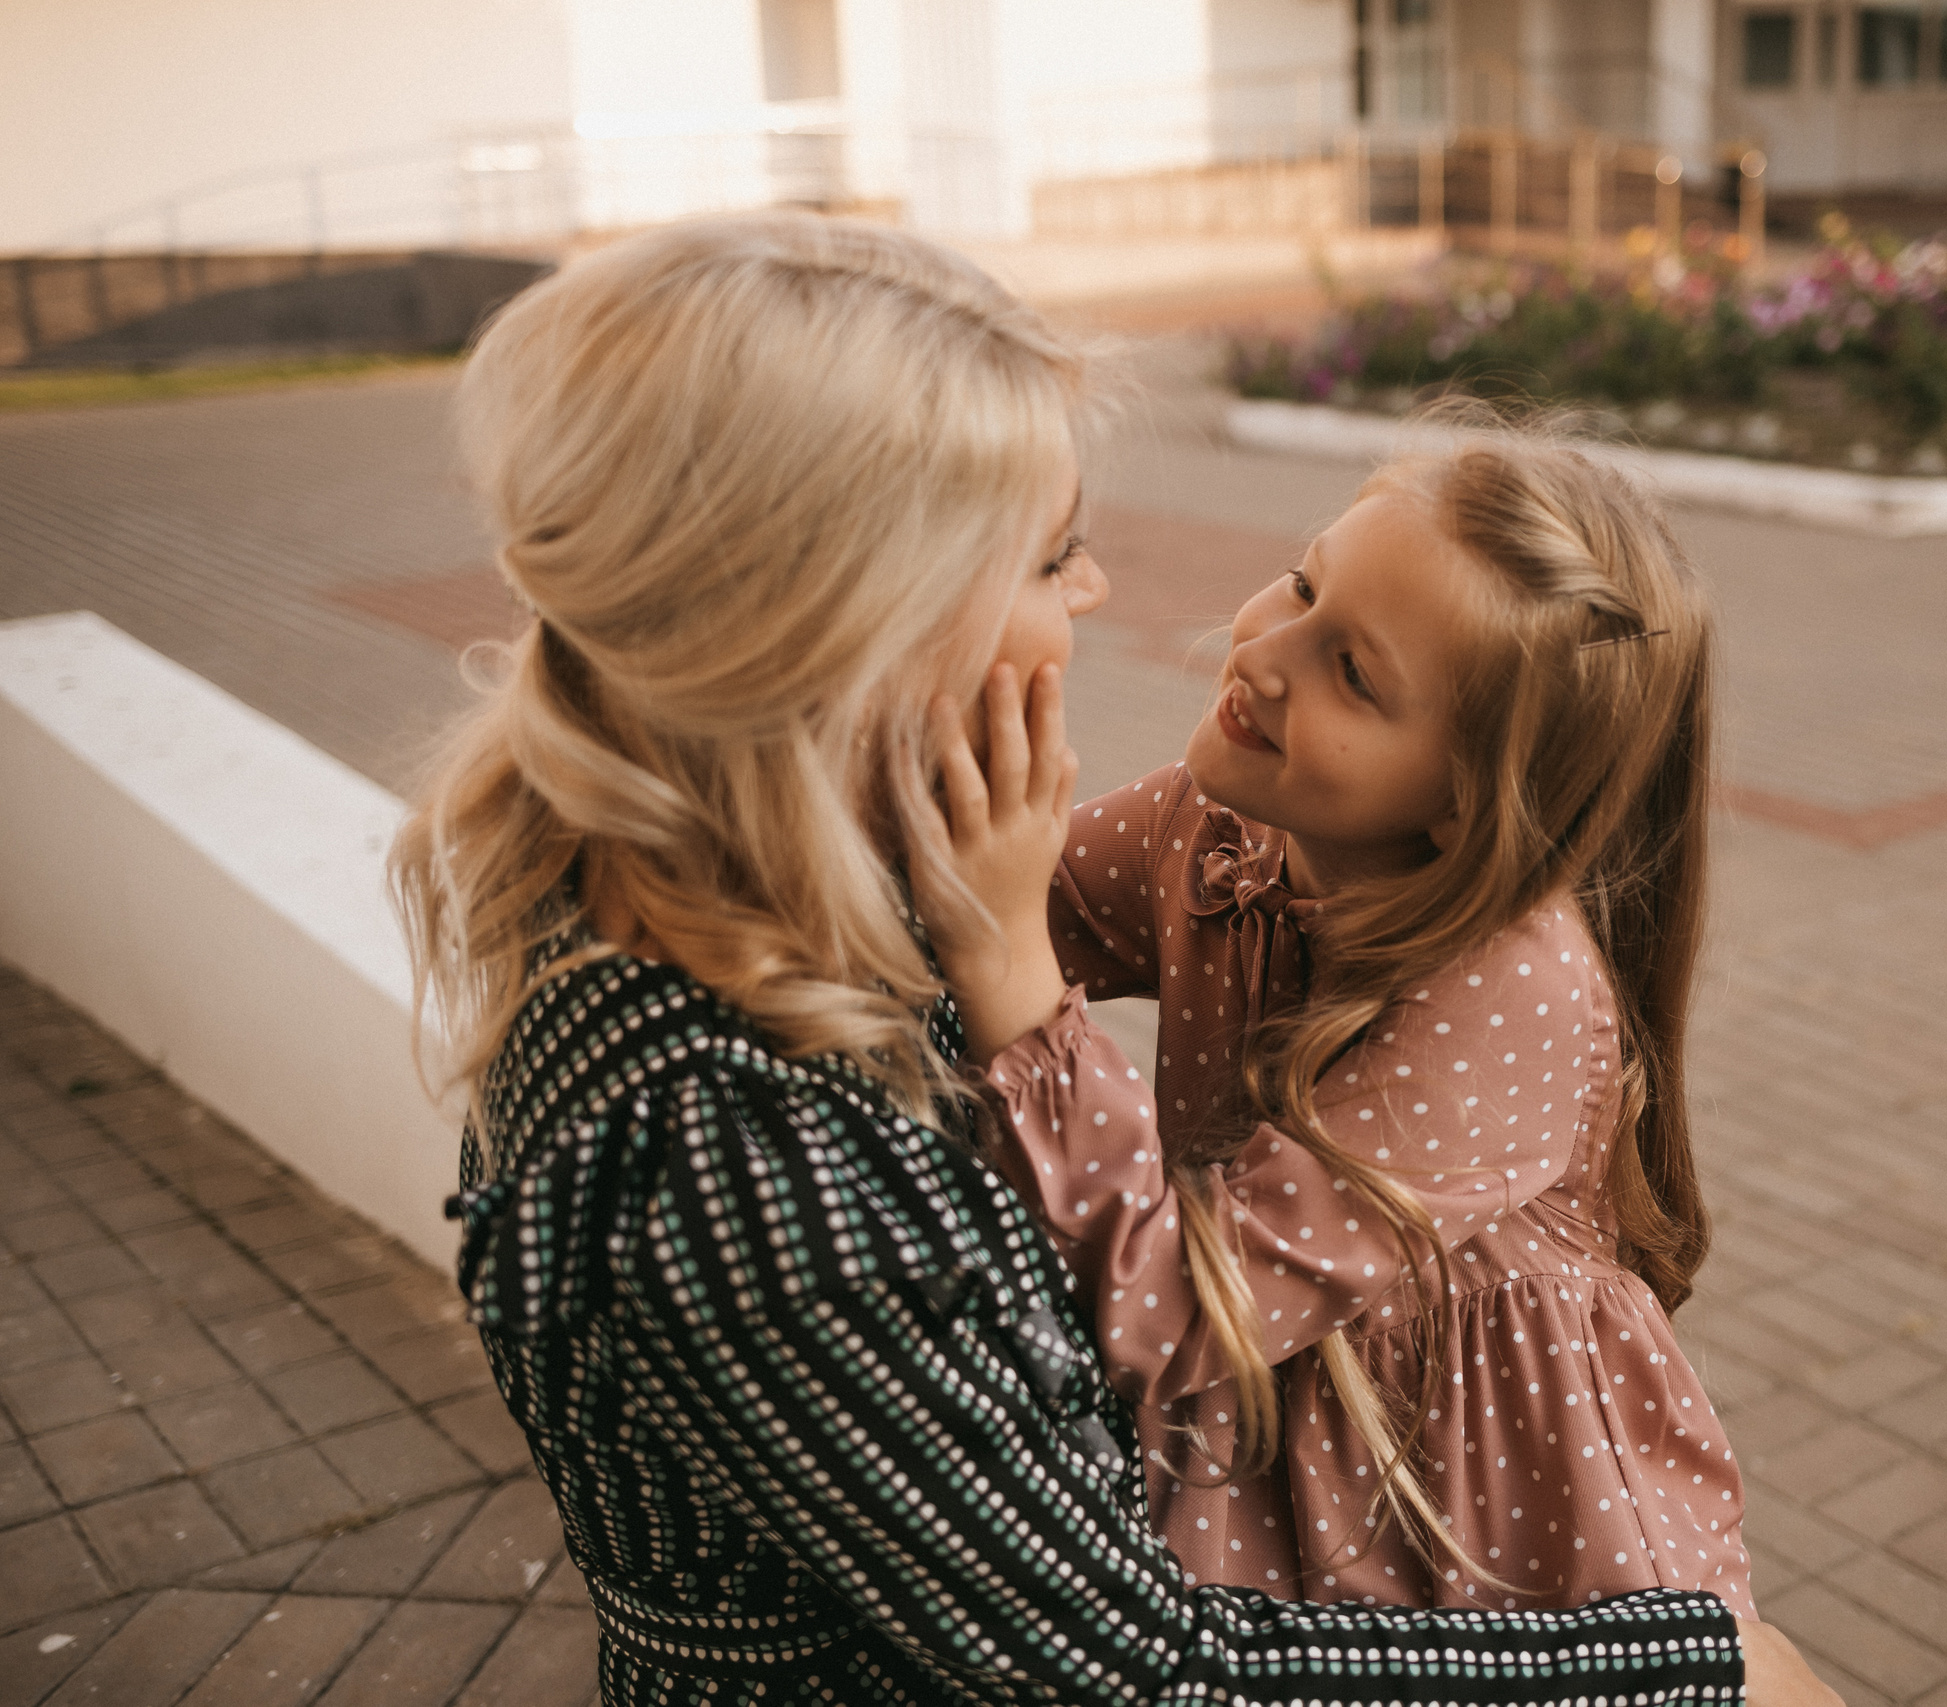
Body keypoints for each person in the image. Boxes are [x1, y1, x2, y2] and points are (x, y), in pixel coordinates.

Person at [390, 213, 1839, 1705]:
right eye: (1052, 554)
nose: (1095, 598)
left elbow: (994, 984)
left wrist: (985, 919)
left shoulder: (747, 918)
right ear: (857, 628)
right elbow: (1134, 1668)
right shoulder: (734, 1155)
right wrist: (1706, 1674)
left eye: (1354, 663)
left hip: (1465, 1505)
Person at [920, 431, 1753, 1615]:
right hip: (1276, 1427)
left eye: (1352, 672)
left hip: (1484, 1505)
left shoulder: (1511, 987)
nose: (1264, 652)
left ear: (1471, 799)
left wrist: (1002, 957)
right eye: (1307, 584)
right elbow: (959, 912)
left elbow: (1171, 1306)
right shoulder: (1212, 827)